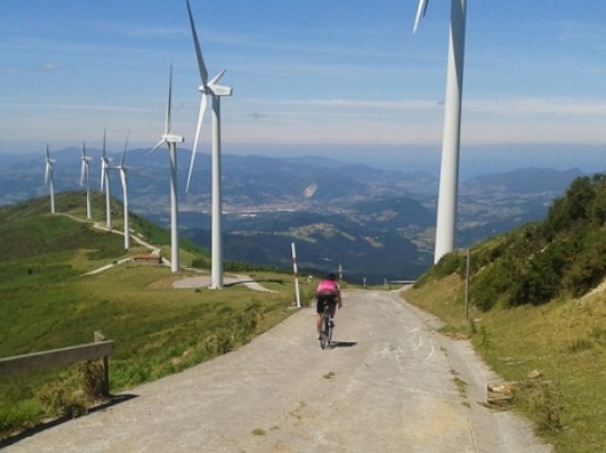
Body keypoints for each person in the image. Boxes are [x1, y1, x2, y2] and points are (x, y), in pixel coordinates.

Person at [315, 273, 342, 339]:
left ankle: (319, 333)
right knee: (333, 303)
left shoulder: (321, 283)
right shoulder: (336, 284)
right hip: (330, 295)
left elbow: (317, 291)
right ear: (334, 279)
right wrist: (339, 303)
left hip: (320, 295)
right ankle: (331, 319)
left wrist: (317, 300)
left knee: (319, 314)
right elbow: (338, 294)